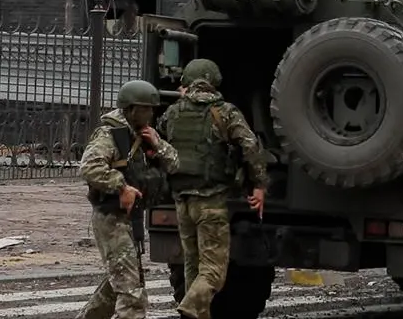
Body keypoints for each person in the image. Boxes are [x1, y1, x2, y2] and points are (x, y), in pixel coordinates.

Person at [157, 59, 269, 319]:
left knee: (192, 265)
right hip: (211, 201)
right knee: (214, 271)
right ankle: (191, 305)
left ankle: (196, 312)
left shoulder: (173, 112)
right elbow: (250, 146)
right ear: (214, 81)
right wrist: (259, 185)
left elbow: (159, 141)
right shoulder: (225, 112)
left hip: (182, 200)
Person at [79, 80, 179, 319]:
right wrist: (121, 187)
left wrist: (158, 143)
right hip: (111, 218)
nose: (152, 113)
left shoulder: (142, 135)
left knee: (116, 286)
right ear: (132, 108)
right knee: (132, 295)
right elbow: (89, 167)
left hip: (130, 218)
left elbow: (175, 163)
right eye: (147, 108)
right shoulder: (110, 134)